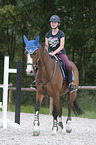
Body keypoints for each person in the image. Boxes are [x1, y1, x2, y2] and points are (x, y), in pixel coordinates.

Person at [45, 15, 77, 93]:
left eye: (55, 22)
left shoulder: (61, 33)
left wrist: (54, 53)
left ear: (58, 24)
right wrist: (47, 53)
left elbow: (62, 46)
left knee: (68, 65)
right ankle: (37, 83)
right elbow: (46, 46)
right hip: (50, 54)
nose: (53, 24)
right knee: (40, 63)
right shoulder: (47, 34)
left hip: (60, 53)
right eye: (52, 22)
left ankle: (70, 84)